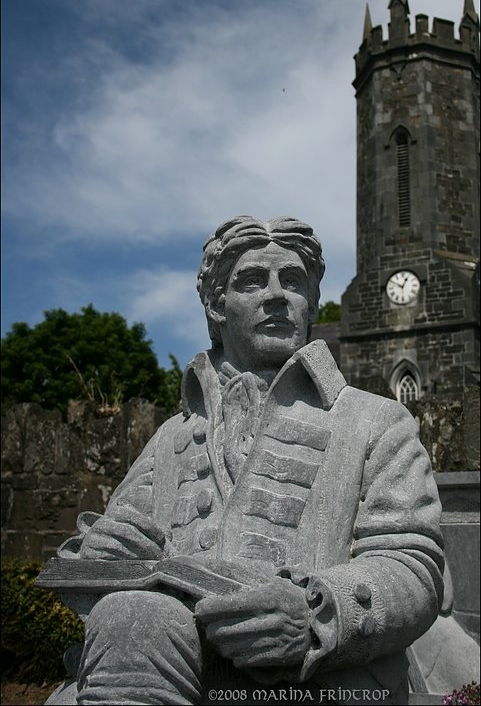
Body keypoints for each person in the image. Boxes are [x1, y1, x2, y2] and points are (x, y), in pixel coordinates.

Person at [45, 216, 444, 706]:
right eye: (253, 280)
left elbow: (411, 567)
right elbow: (100, 556)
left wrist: (317, 614)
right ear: (216, 305)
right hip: (160, 666)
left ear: (312, 303)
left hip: (315, 683)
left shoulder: (377, 420)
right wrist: (101, 553)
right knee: (133, 622)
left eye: (293, 282)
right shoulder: (172, 437)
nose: (277, 295)